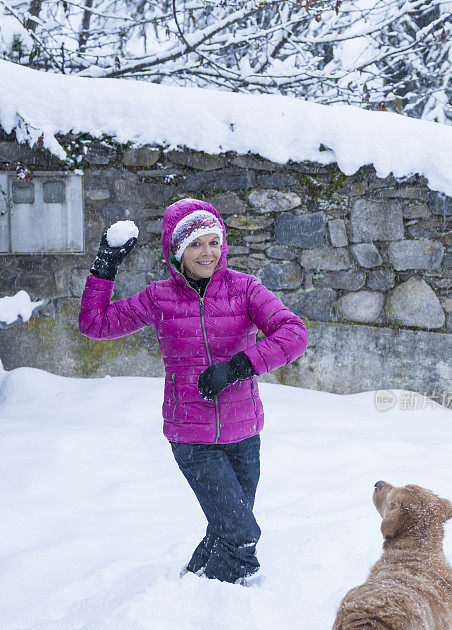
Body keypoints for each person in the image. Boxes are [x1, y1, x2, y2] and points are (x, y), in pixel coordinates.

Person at [79, 198, 308, 584]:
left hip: (244, 433)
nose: (208, 252)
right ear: (177, 250)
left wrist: (238, 366)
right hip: (192, 437)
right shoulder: (159, 297)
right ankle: (211, 606)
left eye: (213, 242)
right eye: (196, 243)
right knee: (242, 535)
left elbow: (294, 333)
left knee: (224, 530)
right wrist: (105, 267)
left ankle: (189, 586)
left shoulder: (244, 289)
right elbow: (95, 323)